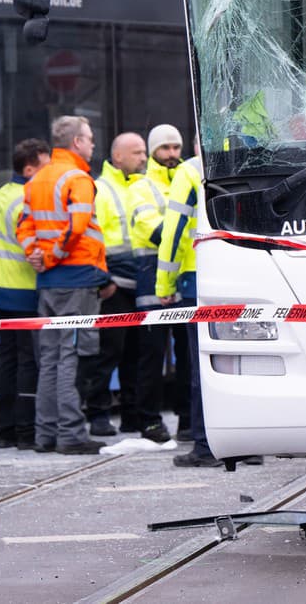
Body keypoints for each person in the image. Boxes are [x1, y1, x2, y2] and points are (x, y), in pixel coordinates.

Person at [18, 115, 112, 456]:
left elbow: (23, 226)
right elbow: (77, 227)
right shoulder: (78, 178)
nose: (92, 144)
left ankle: (46, 435)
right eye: (88, 139)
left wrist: (37, 257)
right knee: (71, 358)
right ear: (76, 143)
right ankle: (71, 434)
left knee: (51, 357)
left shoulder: (37, 179)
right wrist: (53, 256)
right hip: (76, 279)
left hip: (48, 283)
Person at [156, 144, 220, 467]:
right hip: (244, 275)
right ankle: (245, 445)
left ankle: (206, 445)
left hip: (199, 278)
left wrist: (163, 285)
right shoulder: (243, 161)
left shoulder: (190, 170)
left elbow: (173, 231)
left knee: (201, 364)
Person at [79, 132, 147, 437]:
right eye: (136, 153)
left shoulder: (144, 187)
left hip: (143, 284)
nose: (143, 158)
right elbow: (90, 238)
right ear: (117, 156)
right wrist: (102, 280)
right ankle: (98, 415)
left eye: (144, 152)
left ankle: (132, 416)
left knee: (136, 354)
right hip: (114, 286)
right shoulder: (101, 189)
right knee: (107, 354)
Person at [0, 138, 50, 450]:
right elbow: (34, 247)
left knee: (8, 359)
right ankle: (25, 431)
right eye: (44, 166)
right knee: (28, 361)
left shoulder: (4, 192)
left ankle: (4, 429)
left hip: (3, 288)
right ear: (29, 169)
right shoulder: (23, 198)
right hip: (24, 289)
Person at [130, 123, 186, 444]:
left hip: (183, 276)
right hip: (152, 276)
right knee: (151, 355)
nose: (172, 155)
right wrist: (183, 231)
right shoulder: (140, 186)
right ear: (153, 151)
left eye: (176, 148)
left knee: (188, 354)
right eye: (165, 148)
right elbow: (154, 231)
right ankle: (149, 422)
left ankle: (189, 420)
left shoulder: (186, 179)